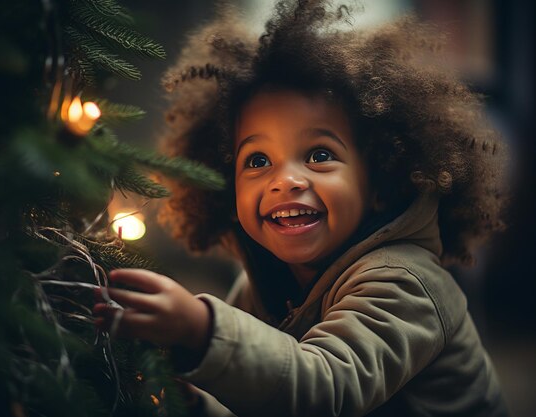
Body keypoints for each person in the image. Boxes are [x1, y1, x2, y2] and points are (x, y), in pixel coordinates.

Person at [94, 1, 510, 415]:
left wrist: (204, 330)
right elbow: (266, 394)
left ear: (379, 183)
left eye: (318, 154)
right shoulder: (261, 280)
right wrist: (199, 403)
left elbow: (325, 390)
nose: (285, 179)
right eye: (257, 161)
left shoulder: (404, 282)